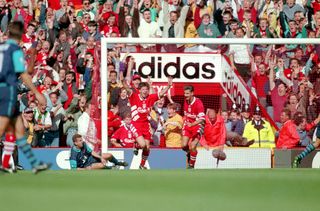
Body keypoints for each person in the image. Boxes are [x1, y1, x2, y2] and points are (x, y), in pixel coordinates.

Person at [0, 21, 51, 174]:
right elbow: (25, 72)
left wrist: (34, 46)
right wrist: (36, 92)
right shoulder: (13, 49)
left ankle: (9, 163)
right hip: (6, 92)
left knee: (16, 130)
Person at [125, 77, 173, 169]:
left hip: (146, 125)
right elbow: (127, 90)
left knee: (147, 147)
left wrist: (168, 86)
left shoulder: (150, 98)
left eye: (146, 89)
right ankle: (136, 144)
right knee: (142, 145)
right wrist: (124, 82)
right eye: (143, 89)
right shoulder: (134, 96)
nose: (145, 91)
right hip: (136, 124)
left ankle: (142, 165)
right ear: (139, 90)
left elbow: (161, 93)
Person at [181, 85, 205, 169]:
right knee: (184, 145)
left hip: (197, 125)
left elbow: (202, 119)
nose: (185, 95)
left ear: (192, 93)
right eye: (185, 93)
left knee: (193, 145)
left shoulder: (198, 103)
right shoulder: (185, 101)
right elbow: (186, 115)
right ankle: (191, 153)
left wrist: (193, 124)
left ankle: (191, 165)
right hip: (188, 125)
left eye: (187, 93)